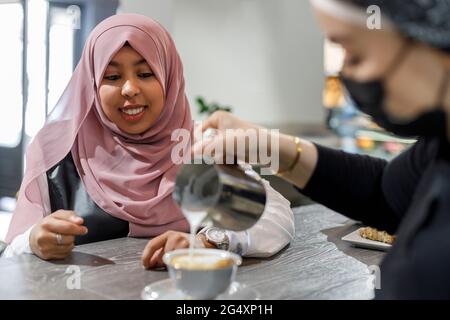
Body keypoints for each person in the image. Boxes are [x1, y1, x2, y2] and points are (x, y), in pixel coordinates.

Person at [194, 0, 450, 299]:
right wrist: (266, 145)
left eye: (355, 53)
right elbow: (383, 193)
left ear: (434, 41)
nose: (345, 73)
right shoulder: (438, 151)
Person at [2, 14, 295, 265]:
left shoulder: (200, 146)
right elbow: (12, 253)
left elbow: (275, 217)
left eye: (145, 73)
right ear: (91, 84)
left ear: (169, 78)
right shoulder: (58, 152)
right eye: (112, 77)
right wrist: (33, 240)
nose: (129, 89)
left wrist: (209, 242)